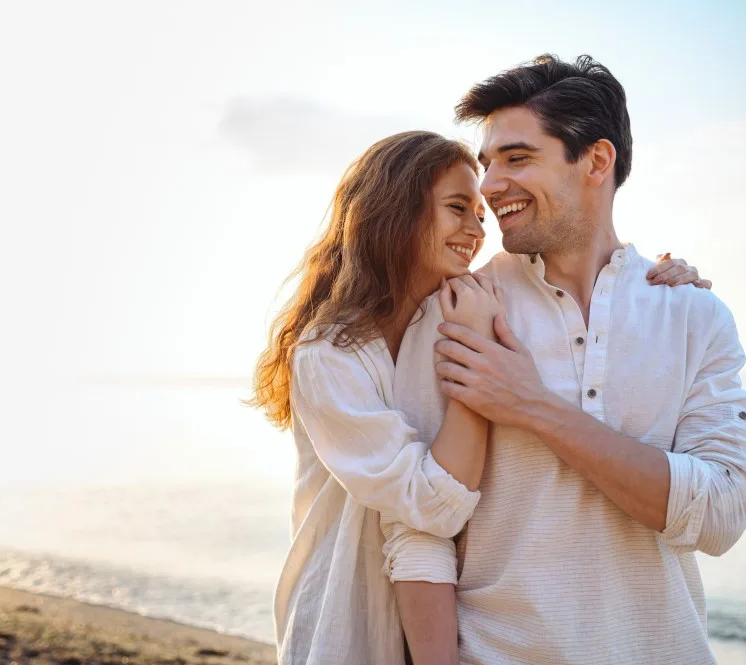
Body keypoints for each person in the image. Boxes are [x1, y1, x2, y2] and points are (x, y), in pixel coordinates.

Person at [250, 129, 707, 663]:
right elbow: (431, 505)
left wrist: (656, 284)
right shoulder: (328, 352)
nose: (476, 230)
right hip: (349, 616)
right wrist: (478, 359)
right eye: (457, 208)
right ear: (395, 212)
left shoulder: (443, 312)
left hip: (443, 620)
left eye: (479, 216)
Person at [384, 55, 746, 665]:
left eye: (518, 158)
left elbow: (721, 513)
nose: (489, 185)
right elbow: (418, 528)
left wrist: (534, 407)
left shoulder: (693, 314)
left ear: (596, 161)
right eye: (488, 164)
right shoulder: (456, 309)